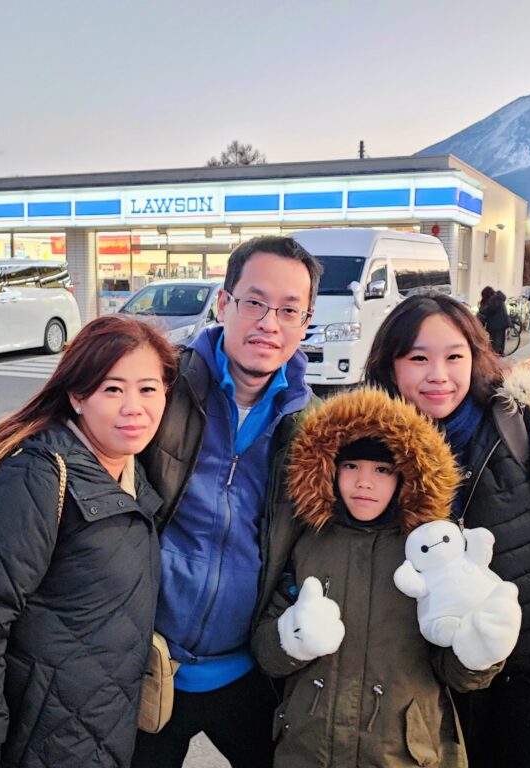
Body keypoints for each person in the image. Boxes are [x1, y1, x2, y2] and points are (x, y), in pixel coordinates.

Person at [364, 293, 530, 768]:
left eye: (453, 357)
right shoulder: (372, 444)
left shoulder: (521, 419)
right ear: (391, 366)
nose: (438, 375)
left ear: (475, 356)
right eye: (418, 358)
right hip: (428, 674)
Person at [0, 315, 176, 768]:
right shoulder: (35, 477)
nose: (134, 406)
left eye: (148, 389)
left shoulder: (130, 475)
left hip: (94, 731)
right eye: (113, 389)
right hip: (35, 742)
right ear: (77, 395)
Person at [132, 236, 322, 768]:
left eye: (289, 310)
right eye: (255, 302)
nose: (270, 323)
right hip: (149, 663)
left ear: (305, 322)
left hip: (247, 671)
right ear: (223, 303)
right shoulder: (160, 388)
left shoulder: (313, 427)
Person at [252, 388, 515, 767]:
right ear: (328, 467)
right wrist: (291, 638)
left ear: (406, 475)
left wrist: (479, 651)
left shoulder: (431, 551)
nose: (364, 483)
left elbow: (457, 674)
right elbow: (266, 650)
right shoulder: (307, 541)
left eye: (381, 470)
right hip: (309, 747)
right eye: (351, 466)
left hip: (403, 752)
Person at [478, 285, 511, 355]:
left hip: (497, 324)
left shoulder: (495, 300)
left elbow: (487, 310)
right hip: (501, 323)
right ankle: (499, 353)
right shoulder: (497, 298)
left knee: (496, 341)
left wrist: (480, 309)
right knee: (500, 340)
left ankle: (497, 355)